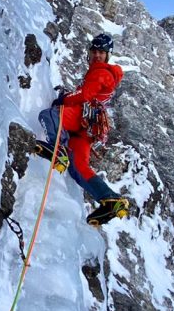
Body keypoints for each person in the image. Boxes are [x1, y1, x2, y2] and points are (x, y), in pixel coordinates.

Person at [37, 33, 130, 225]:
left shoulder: (101, 71)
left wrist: (63, 99)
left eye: (101, 52)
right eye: (94, 51)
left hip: (82, 117)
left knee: (51, 115)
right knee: (79, 167)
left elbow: (84, 94)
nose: (97, 55)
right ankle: (109, 200)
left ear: (108, 55)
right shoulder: (104, 73)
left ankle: (58, 150)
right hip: (88, 129)